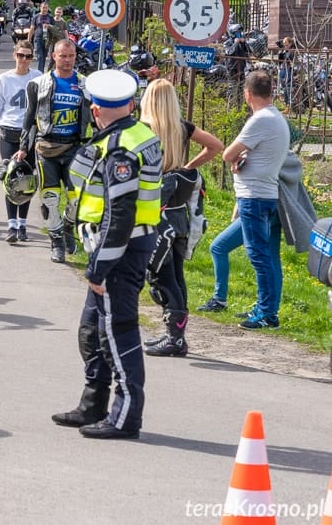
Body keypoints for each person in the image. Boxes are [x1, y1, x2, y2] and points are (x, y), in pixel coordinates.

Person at [53, 69, 162, 440]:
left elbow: (120, 215)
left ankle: (125, 416)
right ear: (129, 105)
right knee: (91, 332)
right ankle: (93, 404)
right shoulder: (126, 135)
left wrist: (98, 270)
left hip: (120, 251)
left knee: (117, 333)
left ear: (96, 109)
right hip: (113, 250)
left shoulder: (121, 149)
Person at [138, 79, 224, 357]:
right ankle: (176, 334)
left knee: (161, 276)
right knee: (175, 273)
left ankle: (174, 337)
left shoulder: (143, 129)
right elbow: (215, 145)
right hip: (179, 213)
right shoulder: (181, 127)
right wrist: (187, 167)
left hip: (156, 210)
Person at [197, 150, 315, 317]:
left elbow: (250, 181)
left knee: (218, 247)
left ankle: (219, 299)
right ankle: (267, 309)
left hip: (259, 209)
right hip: (277, 210)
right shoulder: (282, 155)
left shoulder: (261, 154)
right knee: (272, 259)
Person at [221, 70, 290, 329]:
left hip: (254, 197)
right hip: (269, 195)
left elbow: (229, 153)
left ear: (247, 94)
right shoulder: (277, 118)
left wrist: (238, 157)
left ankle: (266, 313)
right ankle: (267, 308)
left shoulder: (259, 120)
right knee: (270, 256)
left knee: (259, 256)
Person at [15, 39, 92, 262]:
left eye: (71, 56)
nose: (67, 61)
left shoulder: (85, 84)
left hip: (75, 148)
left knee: (76, 200)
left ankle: (67, 227)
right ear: (54, 57)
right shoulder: (38, 84)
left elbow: (96, 117)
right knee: (49, 198)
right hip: (45, 147)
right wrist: (22, 148)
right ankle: (56, 241)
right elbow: (29, 119)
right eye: (63, 56)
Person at [0, 40, 42, 242]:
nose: (24, 60)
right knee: (11, 179)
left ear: (32, 58)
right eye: (20, 55)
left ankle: (23, 225)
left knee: (26, 180)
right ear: (14, 55)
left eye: (28, 56)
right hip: (9, 132)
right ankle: (11, 225)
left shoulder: (38, 78)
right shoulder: (4, 79)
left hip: (30, 133)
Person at [31, 2, 54, 73]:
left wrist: (49, 26)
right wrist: (28, 39)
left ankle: (41, 71)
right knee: (39, 56)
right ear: (40, 8)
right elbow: (32, 28)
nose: (44, 9)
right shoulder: (36, 16)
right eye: (43, 7)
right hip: (38, 38)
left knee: (43, 56)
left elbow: (54, 28)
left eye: (46, 8)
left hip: (47, 39)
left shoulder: (50, 17)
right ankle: (39, 73)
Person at [276, 37, 296, 110]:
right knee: (283, 86)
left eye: (287, 45)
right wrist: (284, 41)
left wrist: (292, 42)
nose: (285, 46)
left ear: (291, 44)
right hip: (283, 68)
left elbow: (293, 61)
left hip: (288, 69)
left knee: (287, 87)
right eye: (284, 45)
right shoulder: (283, 49)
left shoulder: (292, 50)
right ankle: (286, 104)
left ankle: (288, 105)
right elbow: (277, 42)